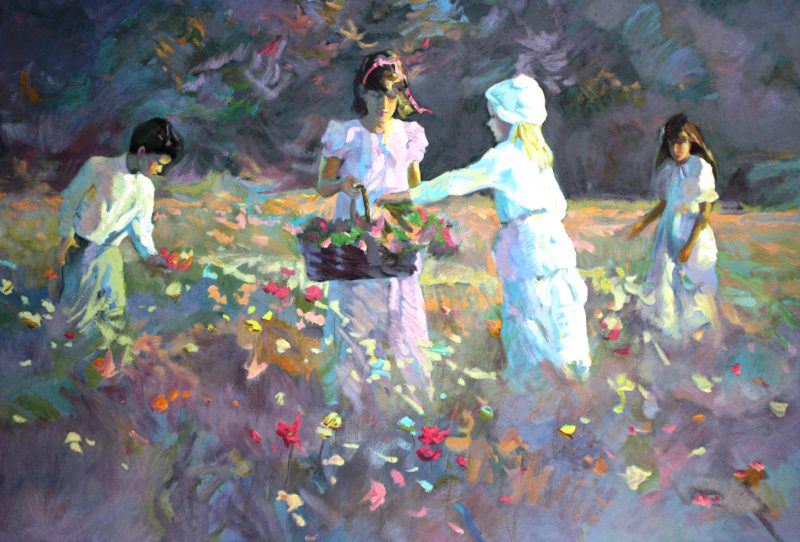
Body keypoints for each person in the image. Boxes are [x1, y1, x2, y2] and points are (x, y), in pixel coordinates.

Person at [378, 74, 592, 386]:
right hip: (554, 242)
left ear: (509, 119)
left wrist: (405, 196)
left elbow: (455, 182)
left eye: (494, 116)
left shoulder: (504, 156)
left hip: (526, 245)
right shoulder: (538, 157)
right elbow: (559, 206)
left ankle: (536, 384)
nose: (490, 124)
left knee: (527, 312)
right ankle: (571, 375)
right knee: (560, 309)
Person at [315, 51, 432, 408]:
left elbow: (414, 186)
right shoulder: (347, 133)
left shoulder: (408, 134)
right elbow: (322, 185)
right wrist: (343, 184)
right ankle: (351, 400)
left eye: (392, 96)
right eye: (377, 95)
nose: (384, 104)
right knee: (355, 314)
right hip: (355, 234)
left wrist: (403, 215)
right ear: (364, 94)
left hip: (394, 234)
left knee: (401, 311)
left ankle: (409, 398)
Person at [57, 118, 181, 351]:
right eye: (158, 162)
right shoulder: (99, 167)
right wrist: (65, 236)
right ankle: (68, 354)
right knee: (75, 314)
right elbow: (71, 199)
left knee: (113, 314)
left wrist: (150, 255)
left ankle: (106, 358)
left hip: (110, 256)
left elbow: (141, 227)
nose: (160, 170)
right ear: (142, 152)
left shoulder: (146, 188)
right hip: (81, 249)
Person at [627, 113, 720, 339]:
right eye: (671, 143)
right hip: (668, 231)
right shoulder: (668, 170)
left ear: (691, 142)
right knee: (665, 276)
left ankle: (698, 327)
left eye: (681, 142)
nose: (676, 148)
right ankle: (669, 328)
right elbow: (664, 203)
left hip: (692, 232)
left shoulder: (700, 167)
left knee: (694, 276)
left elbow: (705, 210)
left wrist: (690, 244)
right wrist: (643, 223)